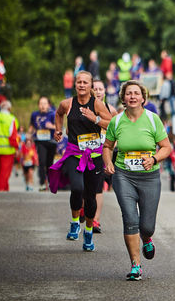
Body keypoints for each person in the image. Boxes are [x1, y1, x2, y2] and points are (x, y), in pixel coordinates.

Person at [103, 80, 171, 280]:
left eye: (136, 93)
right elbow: (107, 146)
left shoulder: (152, 119)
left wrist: (154, 158)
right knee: (130, 219)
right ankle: (136, 265)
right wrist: (108, 162)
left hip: (149, 177)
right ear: (123, 98)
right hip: (124, 175)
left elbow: (166, 147)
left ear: (143, 98)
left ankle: (147, 237)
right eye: (128, 93)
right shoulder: (116, 121)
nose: (132, 96)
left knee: (147, 225)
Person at [49, 71, 112, 250]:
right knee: (77, 188)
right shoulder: (67, 103)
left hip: (95, 156)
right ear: (75, 84)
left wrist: (96, 118)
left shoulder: (97, 104)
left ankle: (89, 232)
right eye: (79, 82)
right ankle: (75, 221)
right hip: (74, 153)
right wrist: (58, 130)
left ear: (91, 85)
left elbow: (113, 123)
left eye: (85, 82)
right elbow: (58, 114)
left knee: (91, 197)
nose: (82, 85)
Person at [91, 79, 119, 233]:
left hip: (103, 152)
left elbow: (117, 130)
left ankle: (95, 220)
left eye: (101, 89)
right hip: (85, 152)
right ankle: (84, 209)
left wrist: (112, 146)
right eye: (95, 88)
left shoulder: (111, 110)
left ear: (105, 92)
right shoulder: (84, 108)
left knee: (98, 187)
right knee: (84, 186)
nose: (98, 91)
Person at [0, 100, 20, 191]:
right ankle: (1, 191)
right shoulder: (11, 118)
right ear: (9, 108)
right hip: (8, 151)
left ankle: (5, 190)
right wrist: (16, 148)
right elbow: (13, 137)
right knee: (4, 173)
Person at [30, 96, 57, 192]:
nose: (42, 106)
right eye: (41, 104)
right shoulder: (34, 114)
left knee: (49, 163)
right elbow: (32, 126)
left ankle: (49, 182)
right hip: (40, 141)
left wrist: (52, 126)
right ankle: (42, 183)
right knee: (42, 162)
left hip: (51, 142)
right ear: (38, 105)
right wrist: (29, 135)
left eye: (45, 103)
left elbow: (59, 127)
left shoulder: (53, 114)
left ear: (48, 105)